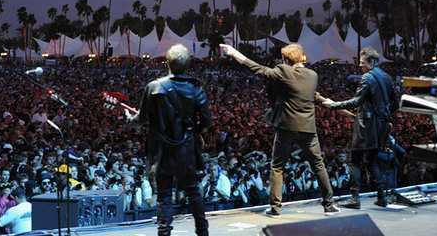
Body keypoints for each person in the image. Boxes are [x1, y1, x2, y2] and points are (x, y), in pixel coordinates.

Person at [220, 43, 340, 216]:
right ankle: (329, 205)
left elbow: (257, 68)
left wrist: (233, 53)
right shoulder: (313, 75)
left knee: (277, 167)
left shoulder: (284, 71)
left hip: (287, 127)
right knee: (318, 164)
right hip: (308, 127)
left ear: (285, 59)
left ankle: (275, 208)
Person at [128, 44, 211, 236]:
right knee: (193, 191)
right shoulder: (195, 87)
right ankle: (203, 231)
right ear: (188, 64)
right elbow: (207, 121)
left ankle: (164, 232)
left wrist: (128, 117)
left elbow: (140, 120)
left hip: (162, 149)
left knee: (164, 195)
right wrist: (192, 131)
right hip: (187, 149)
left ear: (167, 63)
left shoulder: (154, 87)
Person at [322, 47, 398, 208]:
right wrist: (384, 116)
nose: (360, 66)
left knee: (355, 160)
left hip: (366, 126)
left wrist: (333, 105)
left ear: (371, 62)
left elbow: (356, 101)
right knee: (372, 161)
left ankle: (355, 199)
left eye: (362, 63)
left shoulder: (367, 78)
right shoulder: (387, 77)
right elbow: (396, 103)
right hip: (381, 125)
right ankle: (381, 197)